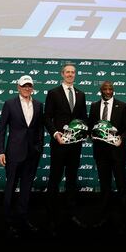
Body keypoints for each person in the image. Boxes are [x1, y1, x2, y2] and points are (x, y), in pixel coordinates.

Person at [0, 75, 44, 239]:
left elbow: (39, 129)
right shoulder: (9, 104)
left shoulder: (38, 105)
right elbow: (2, 129)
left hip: (32, 154)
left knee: (26, 188)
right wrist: (0, 151)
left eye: (29, 86)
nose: (27, 88)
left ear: (33, 87)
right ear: (18, 87)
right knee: (10, 187)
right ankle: (8, 222)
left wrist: (39, 148)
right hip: (14, 153)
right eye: (24, 86)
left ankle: (23, 219)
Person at [44, 63, 88, 234]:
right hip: (59, 144)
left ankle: (71, 215)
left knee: (71, 179)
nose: (70, 74)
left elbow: (83, 117)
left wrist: (83, 133)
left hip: (75, 145)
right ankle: (51, 217)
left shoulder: (81, 94)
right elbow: (47, 117)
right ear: (62, 74)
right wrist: (56, 134)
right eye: (67, 72)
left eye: (73, 72)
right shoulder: (53, 93)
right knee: (54, 179)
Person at [88, 80, 126, 233]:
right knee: (105, 186)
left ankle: (125, 218)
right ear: (100, 90)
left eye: (110, 89)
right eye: (104, 89)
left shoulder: (123, 105)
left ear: (113, 90)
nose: (107, 91)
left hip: (117, 152)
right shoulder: (94, 106)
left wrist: (122, 138)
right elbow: (90, 126)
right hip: (101, 153)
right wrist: (91, 134)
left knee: (122, 185)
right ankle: (104, 217)